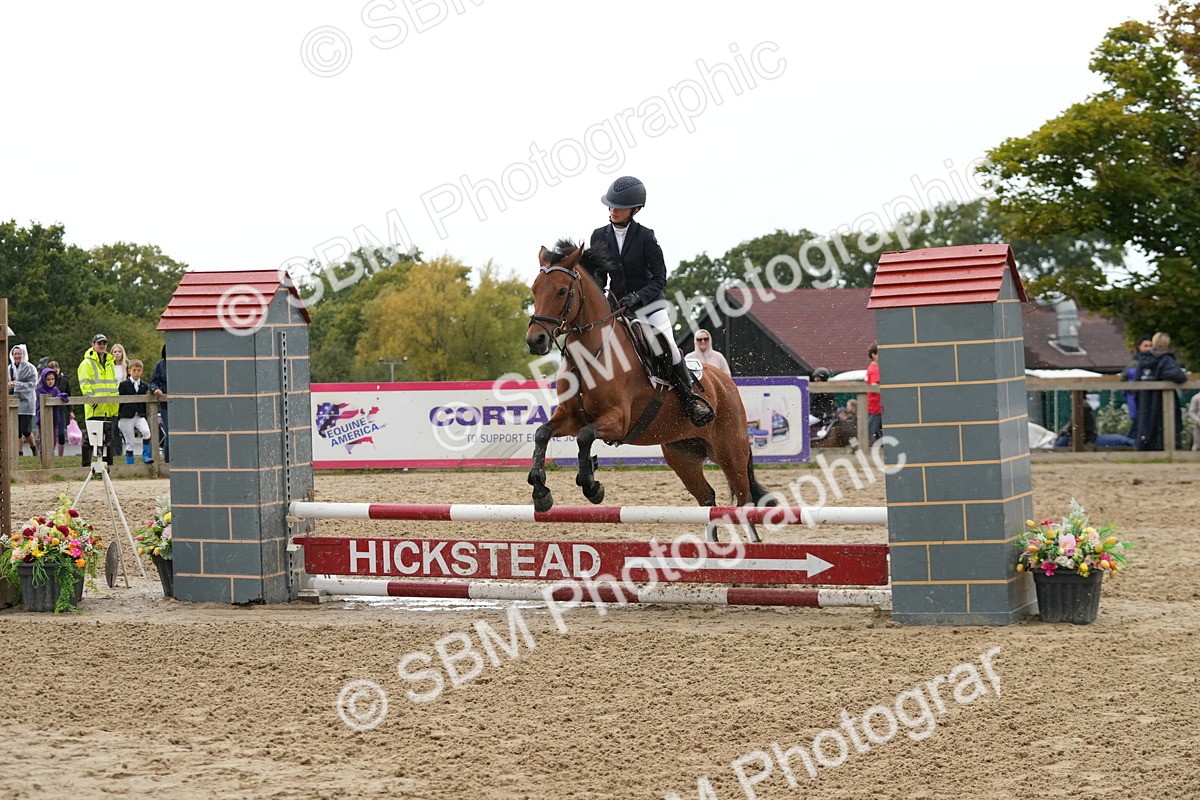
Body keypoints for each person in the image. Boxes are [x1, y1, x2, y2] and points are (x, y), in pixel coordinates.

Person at [590, 175, 713, 426]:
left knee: (669, 347)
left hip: (650, 304)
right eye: (611, 205)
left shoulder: (646, 237)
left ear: (634, 210)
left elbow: (660, 278)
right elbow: (599, 277)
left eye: (619, 207)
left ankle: (690, 401)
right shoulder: (598, 235)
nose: (613, 210)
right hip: (618, 306)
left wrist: (639, 295)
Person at [1131, 331, 1188, 451]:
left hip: (1145, 400)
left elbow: (1135, 382)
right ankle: (1168, 449)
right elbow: (1179, 376)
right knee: (1166, 425)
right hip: (1162, 402)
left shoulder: (1142, 361)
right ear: (1166, 344)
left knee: (1146, 426)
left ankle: (1145, 448)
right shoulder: (1166, 359)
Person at [77, 333, 120, 467]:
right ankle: (85, 466)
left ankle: (108, 468)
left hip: (110, 407)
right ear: (93, 345)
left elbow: (114, 383)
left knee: (109, 439)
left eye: (104, 343)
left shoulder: (110, 363)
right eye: (99, 343)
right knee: (90, 439)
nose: (102, 346)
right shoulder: (86, 363)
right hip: (95, 408)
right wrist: (93, 402)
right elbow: (85, 385)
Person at [118, 359, 153, 464]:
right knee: (130, 442)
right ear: (129, 371)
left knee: (146, 432)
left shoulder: (144, 386)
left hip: (139, 415)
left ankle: (146, 455)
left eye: (139, 370)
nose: (136, 373)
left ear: (142, 371)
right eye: (134, 370)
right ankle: (130, 463)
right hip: (126, 416)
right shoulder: (123, 385)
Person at [8, 344, 38, 456]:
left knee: (25, 429)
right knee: (16, 430)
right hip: (14, 402)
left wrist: (18, 385)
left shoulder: (30, 368)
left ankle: (34, 448)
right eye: (15, 354)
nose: (17, 356)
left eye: (19, 354)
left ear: (23, 354)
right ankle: (19, 453)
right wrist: (9, 386)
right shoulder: (9, 368)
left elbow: (33, 384)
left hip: (27, 402)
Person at [36, 367, 70, 457]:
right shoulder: (39, 390)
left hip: (54, 420)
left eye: (52, 379)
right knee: (44, 443)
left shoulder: (55, 390)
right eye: (48, 379)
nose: (50, 381)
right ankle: (44, 464)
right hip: (43, 420)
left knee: (53, 442)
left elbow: (59, 396)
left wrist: (62, 396)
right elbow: (44, 401)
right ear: (43, 379)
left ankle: (51, 461)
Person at [1122, 335, 1153, 423]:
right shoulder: (1133, 364)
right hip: (1135, 397)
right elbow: (1122, 380)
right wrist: (1132, 390)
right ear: (1139, 347)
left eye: (1150, 346)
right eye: (1145, 346)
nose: (1148, 348)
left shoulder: (1156, 362)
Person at [149, 345, 169, 463]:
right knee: (169, 432)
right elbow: (153, 382)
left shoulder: (185, 362)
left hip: (185, 404)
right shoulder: (160, 365)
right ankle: (168, 461)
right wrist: (155, 390)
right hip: (166, 405)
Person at [865, 343, 882, 444]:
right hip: (876, 405)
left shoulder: (871, 368)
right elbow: (874, 385)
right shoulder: (874, 369)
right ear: (873, 355)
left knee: (877, 430)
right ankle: (857, 449)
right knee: (869, 431)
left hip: (875, 405)